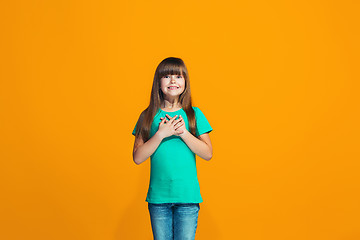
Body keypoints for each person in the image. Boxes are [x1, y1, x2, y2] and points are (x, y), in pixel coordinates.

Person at [131, 57, 213, 240]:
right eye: (167, 76)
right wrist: (160, 134)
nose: (173, 81)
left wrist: (183, 132)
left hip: (188, 198)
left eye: (178, 76)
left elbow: (207, 153)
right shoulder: (147, 116)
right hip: (158, 199)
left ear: (185, 82)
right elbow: (137, 157)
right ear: (158, 83)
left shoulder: (194, 114)